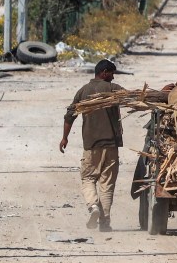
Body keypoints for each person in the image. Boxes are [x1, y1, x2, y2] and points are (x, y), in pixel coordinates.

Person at [60, 59, 124, 232]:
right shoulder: (113, 89)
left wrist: (64, 138)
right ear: (103, 72)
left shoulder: (83, 91)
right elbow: (133, 97)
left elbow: (69, 116)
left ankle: (93, 206)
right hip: (111, 146)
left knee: (88, 178)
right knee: (107, 184)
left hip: (91, 146)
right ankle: (105, 222)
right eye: (111, 73)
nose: (112, 77)